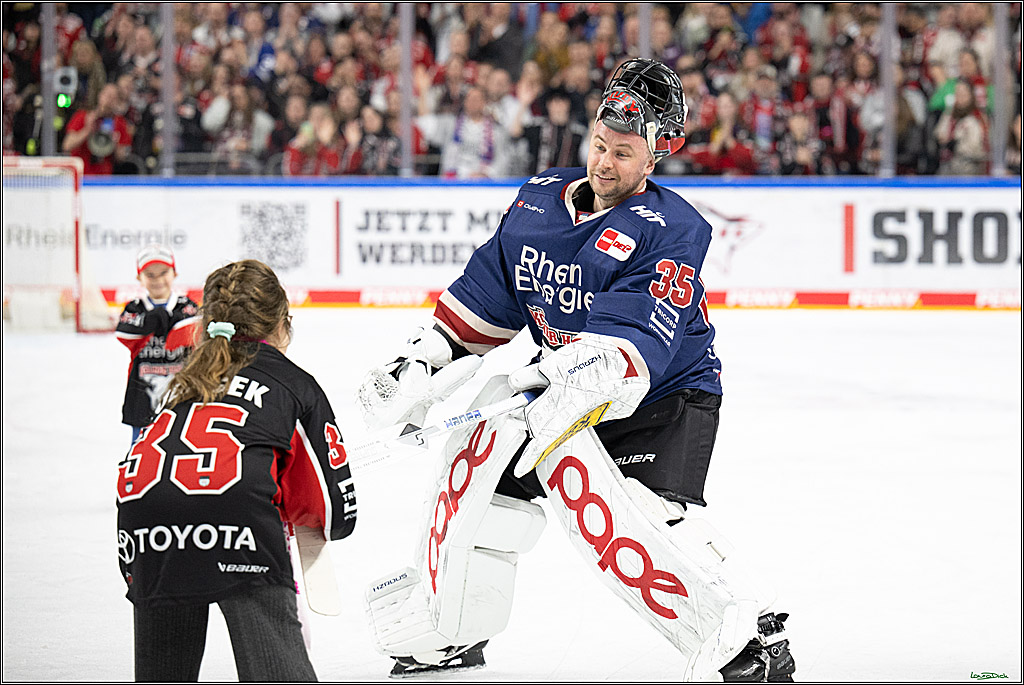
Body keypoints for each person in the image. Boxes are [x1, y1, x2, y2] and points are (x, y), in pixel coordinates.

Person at [357, 58, 795, 682]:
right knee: (476, 481)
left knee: (639, 520)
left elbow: (639, 338)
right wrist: (423, 360)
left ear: (653, 159)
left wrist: (581, 370)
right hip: (552, 396)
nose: (604, 163)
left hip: (660, 402)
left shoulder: (673, 228)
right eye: (598, 144)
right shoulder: (538, 201)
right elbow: (487, 297)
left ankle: (749, 639)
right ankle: (451, 631)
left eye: (623, 152)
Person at [116, 259, 357, 681]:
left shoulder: (183, 386)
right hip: (239, 528)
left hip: (143, 531)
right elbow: (338, 516)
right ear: (283, 321)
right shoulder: (295, 384)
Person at [116, 245, 199, 444]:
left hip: (183, 392)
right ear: (140, 278)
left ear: (174, 273)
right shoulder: (135, 308)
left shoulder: (186, 306)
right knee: (140, 449)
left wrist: (173, 322)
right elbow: (124, 333)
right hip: (143, 395)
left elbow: (195, 332)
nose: (158, 280)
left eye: (163, 273)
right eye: (150, 275)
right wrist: (148, 322)